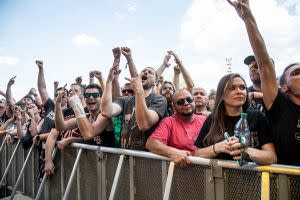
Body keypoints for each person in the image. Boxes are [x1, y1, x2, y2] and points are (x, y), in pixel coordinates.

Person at [228, 0, 300, 166]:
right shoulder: (280, 106)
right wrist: (248, 19)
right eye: (296, 73)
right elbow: (265, 64)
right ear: (284, 87)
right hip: (288, 184)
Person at [194, 73, 277, 165]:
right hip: (220, 177)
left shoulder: (257, 116)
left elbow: (272, 157)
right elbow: (197, 153)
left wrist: (246, 150)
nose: (239, 91)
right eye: (232, 88)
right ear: (221, 94)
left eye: (242, 87)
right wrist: (218, 147)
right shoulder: (213, 119)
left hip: (252, 177)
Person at [99, 47, 167, 150]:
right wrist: (109, 81)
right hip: (124, 159)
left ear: (156, 82)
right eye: (143, 71)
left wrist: (130, 60)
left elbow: (144, 124)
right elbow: (106, 111)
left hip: (146, 160)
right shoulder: (125, 100)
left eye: (150, 72)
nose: (146, 73)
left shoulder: (159, 100)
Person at [146, 89, 206, 166]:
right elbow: (151, 143)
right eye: (180, 102)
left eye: (189, 99)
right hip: (180, 171)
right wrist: (172, 152)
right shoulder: (168, 122)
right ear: (174, 107)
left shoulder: (205, 120)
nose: (186, 103)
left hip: (205, 171)